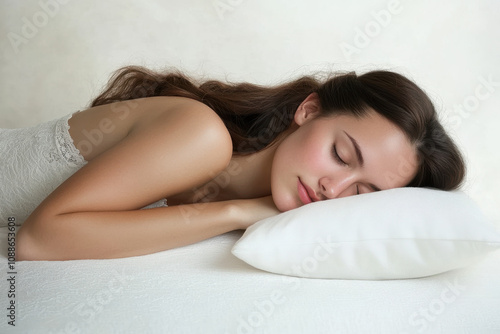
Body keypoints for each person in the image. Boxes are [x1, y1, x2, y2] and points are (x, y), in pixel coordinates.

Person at [2, 66, 465, 261]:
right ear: (308, 111)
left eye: (361, 192)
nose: (333, 188)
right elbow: (36, 240)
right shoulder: (200, 134)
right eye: (341, 155)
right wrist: (236, 212)